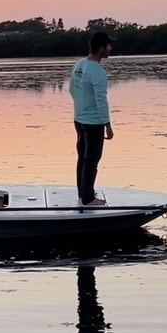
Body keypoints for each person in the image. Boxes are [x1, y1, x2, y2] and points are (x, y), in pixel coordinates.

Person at [69, 30, 113, 207]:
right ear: (101, 48)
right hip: (93, 122)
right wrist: (107, 125)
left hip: (79, 120)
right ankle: (88, 199)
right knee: (92, 159)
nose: (110, 49)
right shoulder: (98, 72)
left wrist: (81, 108)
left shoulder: (79, 65)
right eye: (108, 46)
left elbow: (72, 89)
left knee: (83, 157)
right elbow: (101, 101)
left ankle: (83, 191)